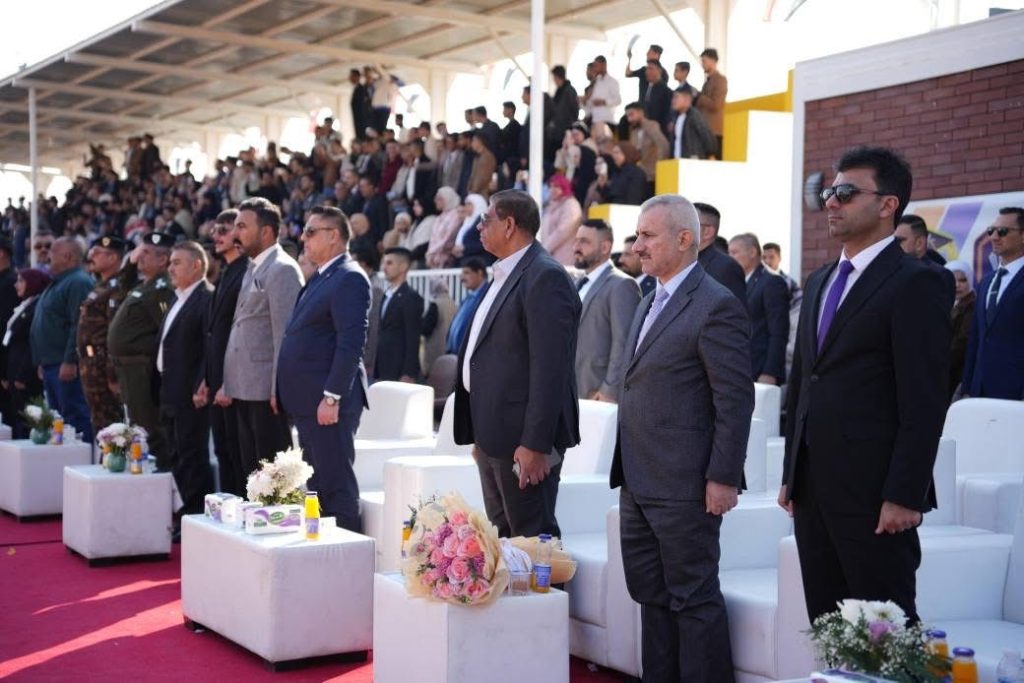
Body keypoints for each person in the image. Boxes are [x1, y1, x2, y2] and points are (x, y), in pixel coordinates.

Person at [781, 146, 951, 626]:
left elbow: (924, 401)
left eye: (847, 192)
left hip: (876, 494)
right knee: (830, 625)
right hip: (813, 488)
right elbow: (805, 382)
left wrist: (905, 494)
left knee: (884, 629)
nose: (832, 201)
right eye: (829, 192)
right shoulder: (819, 280)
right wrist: (792, 473)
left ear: (887, 204)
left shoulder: (916, 282)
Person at [611, 194, 753, 682]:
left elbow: (734, 400)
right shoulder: (647, 300)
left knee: (693, 599)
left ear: (684, 238)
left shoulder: (716, 305)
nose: (638, 246)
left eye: (647, 236)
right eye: (637, 235)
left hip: (686, 485)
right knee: (650, 596)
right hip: (638, 480)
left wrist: (723, 477)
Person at [453, 190, 581, 538]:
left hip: (523, 440)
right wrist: (479, 435)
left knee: (532, 539)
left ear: (509, 225)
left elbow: (550, 369)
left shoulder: (545, 276)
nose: (478, 227)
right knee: (504, 538)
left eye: (486, 219)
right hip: (493, 435)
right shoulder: (505, 273)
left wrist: (536, 444)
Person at [277, 206, 370, 532]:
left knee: (335, 485)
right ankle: (324, 551)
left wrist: (332, 396)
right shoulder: (323, 276)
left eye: (311, 232)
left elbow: (351, 343)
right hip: (309, 402)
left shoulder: (349, 277)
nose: (303, 238)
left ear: (334, 236)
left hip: (328, 403)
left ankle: (348, 555)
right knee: (317, 484)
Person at [220, 197, 303, 478]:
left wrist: (278, 388)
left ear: (266, 231)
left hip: (265, 389)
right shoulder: (252, 267)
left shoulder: (282, 269)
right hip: (243, 384)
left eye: (242, 226)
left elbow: (285, 335)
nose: (235, 233)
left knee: (273, 475)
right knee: (252, 471)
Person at [107, 233, 177, 469]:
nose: (140, 257)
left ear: (163, 260)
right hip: (129, 369)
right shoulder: (144, 285)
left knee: (149, 429)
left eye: (146, 253)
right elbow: (121, 286)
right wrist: (130, 262)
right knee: (137, 425)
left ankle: (163, 474)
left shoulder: (161, 288)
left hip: (142, 368)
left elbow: (167, 331)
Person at [158, 242, 214, 519]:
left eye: (177, 262)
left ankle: (195, 513)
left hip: (191, 392)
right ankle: (185, 510)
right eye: (170, 262)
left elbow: (209, 345)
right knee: (176, 453)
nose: (171, 268)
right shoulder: (177, 298)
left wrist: (202, 381)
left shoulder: (206, 298)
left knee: (192, 455)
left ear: (197, 265)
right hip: (169, 389)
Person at [194, 210, 249, 497]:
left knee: (238, 454)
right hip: (217, 378)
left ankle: (241, 511)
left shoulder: (246, 272)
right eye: (215, 230)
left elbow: (241, 333)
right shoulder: (227, 272)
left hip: (235, 382)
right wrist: (207, 377)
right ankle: (230, 510)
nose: (215, 236)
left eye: (223, 230)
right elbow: (214, 333)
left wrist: (229, 381)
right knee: (224, 451)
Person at [29, 237, 95, 442]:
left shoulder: (78, 282)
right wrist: (42, 360)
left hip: (64, 364)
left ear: (67, 257)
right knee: (60, 419)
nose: (49, 256)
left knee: (74, 417)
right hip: (52, 363)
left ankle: (80, 458)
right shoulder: (60, 281)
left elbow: (79, 325)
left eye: (53, 252)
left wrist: (70, 360)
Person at [573, 219, 640, 403]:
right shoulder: (577, 282)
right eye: (576, 240)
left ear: (605, 247)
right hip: (571, 390)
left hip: (597, 394)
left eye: (584, 242)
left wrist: (609, 390)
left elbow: (624, 343)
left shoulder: (622, 285)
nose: (576, 247)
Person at [961, 206, 1024, 400]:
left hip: (1015, 393)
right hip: (979, 390)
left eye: (1002, 231)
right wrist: (967, 387)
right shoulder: (987, 281)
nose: (994, 237)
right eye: (991, 231)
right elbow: (976, 338)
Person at [77, 236, 137, 433]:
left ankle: (113, 454)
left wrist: (113, 374)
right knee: (99, 421)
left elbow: (115, 331)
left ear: (113, 258)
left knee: (111, 423)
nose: (91, 256)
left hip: (103, 365)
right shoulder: (101, 286)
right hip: (90, 362)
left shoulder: (118, 288)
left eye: (97, 253)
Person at [728, 233, 790, 385]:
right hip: (737, 369)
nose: (730, 258)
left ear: (752, 252)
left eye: (734, 252)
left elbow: (778, 331)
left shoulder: (772, 282)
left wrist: (770, 371)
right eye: (729, 253)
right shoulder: (736, 283)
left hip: (760, 371)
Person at [2, 269, 50, 438]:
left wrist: (23, 375)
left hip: (25, 371)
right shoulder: (25, 305)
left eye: (21, 281)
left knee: (28, 417)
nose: (17, 285)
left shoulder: (36, 307)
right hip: (14, 367)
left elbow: (32, 342)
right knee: (17, 415)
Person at [374, 247, 424, 382]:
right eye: (384, 263)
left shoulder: (411, 298)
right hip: (383, 368)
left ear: (403, 267)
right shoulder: (386, 295)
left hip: (400, 371)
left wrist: (408, 372)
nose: (384, 268)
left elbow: (413, 337)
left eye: (389, 263)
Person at [894, 214, 956, 306]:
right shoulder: (891, 271)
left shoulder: (938, 275)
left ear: (919, 243)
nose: (894, 246)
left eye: (899, 241)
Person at [693, 202, 746, 301]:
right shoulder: (683, 262)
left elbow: (735, 308)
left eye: (689, 223)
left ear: (707, 232)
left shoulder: (727, 268)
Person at [944, 260, 976, 402]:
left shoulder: (972, 306)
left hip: (957, 374)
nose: (957, 285)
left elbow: (960, 344)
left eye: (963, 280)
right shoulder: (947, 303)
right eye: (953, 280)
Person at [446, 259, 488, 354]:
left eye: (467, 273)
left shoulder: (488, 296)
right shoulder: (467, 299)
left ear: (480, 273)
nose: (462, 278)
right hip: (456, 355)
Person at [539, 174, 583, 267]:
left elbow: (562, 231)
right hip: (548, 257)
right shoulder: (550, 205)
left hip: (565, 257)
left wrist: (544, 249)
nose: (552, 189)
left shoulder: (571, 204)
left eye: (556, 186)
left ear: (564, 187)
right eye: (551, 186)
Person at [0, 238, 20, 426]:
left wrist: (4, 371)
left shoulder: (10, 283)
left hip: (6, 360)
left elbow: (6, 328)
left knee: (10, 417)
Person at [421, 278, 458, 375]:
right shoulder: (453, 304)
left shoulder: (435, 304)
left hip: (436, 350)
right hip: (449, 349)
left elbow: (425, 329)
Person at [696, 48, 728, 159]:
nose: (702, 64)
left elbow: (717, 105)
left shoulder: (720, 80)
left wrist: (700, 98)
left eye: (704, 61)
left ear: (713, 61)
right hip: (704, 131)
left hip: (714, 132)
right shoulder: (707, 82)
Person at [668, 87, 715, 160]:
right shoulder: (675, 118)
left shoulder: (695, 116)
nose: (673, 101)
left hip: (692, 161)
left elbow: (706, 135)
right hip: (677, 163)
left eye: (676, 97)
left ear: (687, 99)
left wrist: (711, 154)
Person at [426, 187, 464, 268]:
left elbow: (448, 238)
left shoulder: (456, 215)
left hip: (448, 261)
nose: (435, 201)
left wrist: (431, 252)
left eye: (439, 199)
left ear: (448, 199)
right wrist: (430, 254)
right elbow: (433, 239)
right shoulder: (438, 218)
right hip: (435, 260)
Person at [586, 56, 622, 128]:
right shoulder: (596, 82)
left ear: (603, 65)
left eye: (596, 65)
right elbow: (591, 101)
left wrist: (604, 102)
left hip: (607, 121)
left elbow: (618, 100)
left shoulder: (612, 82)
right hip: (594, 120)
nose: (594, 68)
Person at [550, 66, 580, 143]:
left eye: (554, 77)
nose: (553, 80)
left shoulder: (570, 91)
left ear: (558, 76)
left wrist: (570, 126)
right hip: (557, 131)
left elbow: (575, 110)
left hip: (565, 130)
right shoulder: (558, 91)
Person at [642, 60, 673, 132]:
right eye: (647, 69)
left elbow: (668, 114)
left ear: (659, 70)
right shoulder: (647, 87)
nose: (647, 72)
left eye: (650, 69)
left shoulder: (666, 91)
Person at [349, 69, 372, 139]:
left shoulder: (362, 89)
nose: (350, 78)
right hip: (358, 121)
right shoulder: (356, 89)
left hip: (362, 121)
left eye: (352, 76)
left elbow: (365, 106)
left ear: (357, 77)